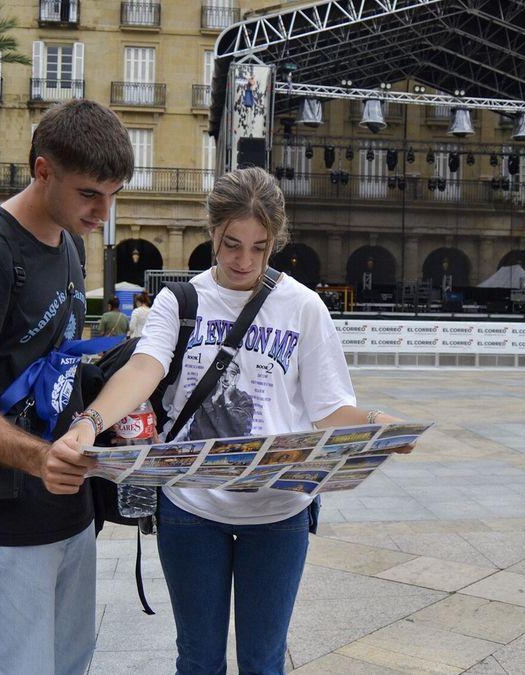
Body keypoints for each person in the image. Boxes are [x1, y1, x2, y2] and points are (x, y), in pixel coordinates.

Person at [54, 167, 415, 675]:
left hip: (279, 511)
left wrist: (379, 424)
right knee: (199, 659)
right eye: (231, 244)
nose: (244, 260)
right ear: (212, 233)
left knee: (264, 662)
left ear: (276, 243)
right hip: (191, 507)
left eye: (259, 247)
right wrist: (89, 421)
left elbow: (329, 410)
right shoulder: (180, 301)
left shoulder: (303, 307)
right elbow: (144, 369)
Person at [0, 99, 132, 675]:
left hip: (68, 506)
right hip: (4, 514)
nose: (103, 211)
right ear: (43, 170)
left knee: (68, 665)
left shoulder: (68, 244)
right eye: (91, 193)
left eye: (113, 194)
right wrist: (41, 459)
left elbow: (54, 364)